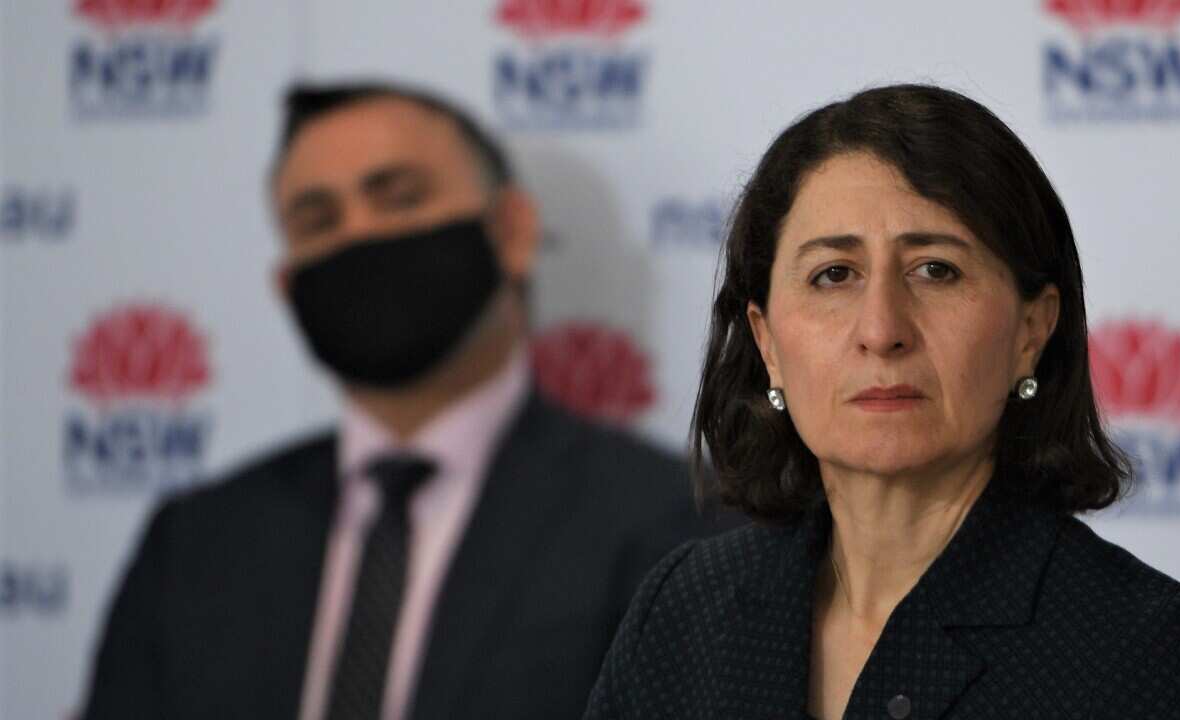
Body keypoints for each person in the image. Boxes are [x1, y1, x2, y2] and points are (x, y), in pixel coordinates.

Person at [584, 84, 1180, 720]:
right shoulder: (683, 615)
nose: (881, 330)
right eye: (834, 275)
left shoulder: (1147, 653)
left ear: (1031, 331)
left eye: (936, 270)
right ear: (768, 343)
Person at [83, 81, 726, 720]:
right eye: (318, 220)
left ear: (510, 231)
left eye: (399, 198)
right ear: (287, 284)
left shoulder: (677, 528)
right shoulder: (196, 543)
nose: (360, 237)